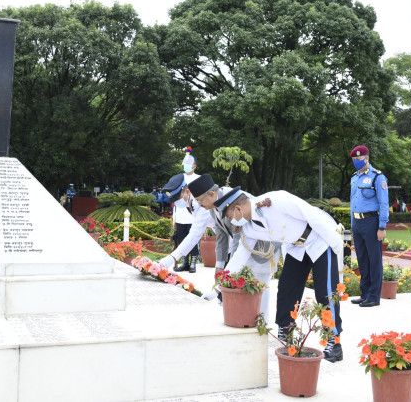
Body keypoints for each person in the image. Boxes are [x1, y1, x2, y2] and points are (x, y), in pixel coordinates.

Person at [219, 188, 345, 362]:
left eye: (230, 215)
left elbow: (312, 215)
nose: (231, 220)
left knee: (326, 292)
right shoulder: (249, 227)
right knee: (287, 289)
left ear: (239, 209)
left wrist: (337, 246)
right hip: (296, 247)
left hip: (320, 239)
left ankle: (334, 342)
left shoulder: (277, 201)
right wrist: (220, 286)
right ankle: (286, 333)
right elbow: (240, 255)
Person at [160, 175, 280, 318]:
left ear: (211, 194)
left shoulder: (233, 201)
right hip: (247, 246)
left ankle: (263, 322)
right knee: (247, 284)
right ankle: (248, 319)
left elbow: (238, 240)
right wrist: (220, 265)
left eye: (199, 200)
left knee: (261, 284)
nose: (198, 204)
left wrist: (223, 281)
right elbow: (221, 234)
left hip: (264, 246)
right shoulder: (213, 204)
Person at [348, 145, 388, 308]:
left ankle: (374, 296)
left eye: (359, 158)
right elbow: (352, 202)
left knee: (374, 260)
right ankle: (364, 294)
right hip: (357, 223)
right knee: (362, 260)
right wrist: (352, 225)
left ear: (367, 158)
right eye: (354, 159)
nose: (356, 161)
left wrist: (382, 227)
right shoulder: (354, 178)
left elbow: (383, 203)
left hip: (371, 222)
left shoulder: (377, 177)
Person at [164, 149, 201, 272]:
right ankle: (185, 262)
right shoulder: (179, 178)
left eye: (189, 164)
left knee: (192, 238)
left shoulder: (199, 178)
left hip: (193, 214)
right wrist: (174, 218)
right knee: (182, 238)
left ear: (194, 166)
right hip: (180, 213)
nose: (186, 166)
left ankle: (193, 262)